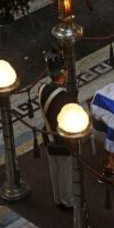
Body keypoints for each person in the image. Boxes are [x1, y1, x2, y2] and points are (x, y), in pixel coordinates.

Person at [38, 46, 73, 210]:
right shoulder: (63, 97)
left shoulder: (42, 89)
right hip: (61, 140)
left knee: (55, 170)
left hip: (48, 136)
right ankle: (68, 201)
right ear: (63, 72)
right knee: (66, 171)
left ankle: (58, 198)